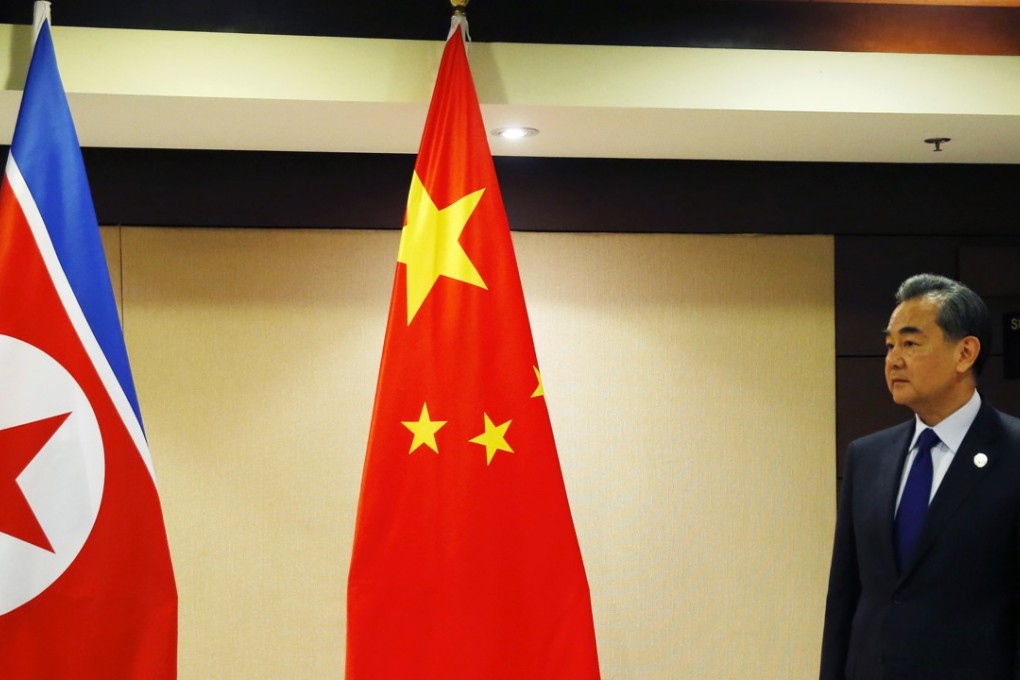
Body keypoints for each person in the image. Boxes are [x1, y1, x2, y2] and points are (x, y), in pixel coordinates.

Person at [820, 273, 1020, 680]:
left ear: (965, 353)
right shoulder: (867, 456)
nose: (893, 359)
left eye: (910, 343)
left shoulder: (1014, 453)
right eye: (889, 345)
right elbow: (844, 597)